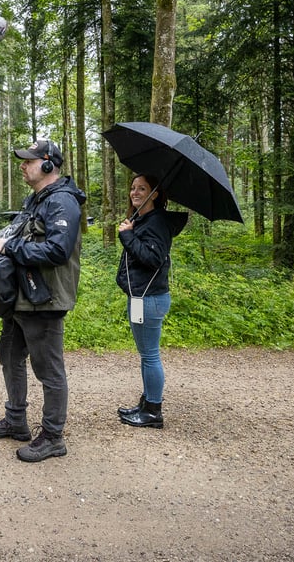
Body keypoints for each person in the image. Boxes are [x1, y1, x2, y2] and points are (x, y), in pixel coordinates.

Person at [0, 139, 86, 462]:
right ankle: (17, 419)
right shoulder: (36, 199)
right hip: (22, 297)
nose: (22, 166)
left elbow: (57, 251)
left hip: (45, 298)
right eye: (22, 161)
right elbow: (19, 233)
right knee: (9, 354)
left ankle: (53, 436)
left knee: (49, 368)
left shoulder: (63, 202)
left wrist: (7, 249)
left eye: (28, 161)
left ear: (48, 164)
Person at [115, 173, 187, 428]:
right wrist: (132, 232)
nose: (135, 192)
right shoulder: (145, 219)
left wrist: (128, 237)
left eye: (142, 189)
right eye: (133, 188)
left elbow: (152, 258)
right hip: (142, 297)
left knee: (150, 355)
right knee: (146, 355)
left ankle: (154, 411)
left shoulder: (156, 222)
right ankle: (146, 403)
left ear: (155, 194)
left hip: (149, 298)